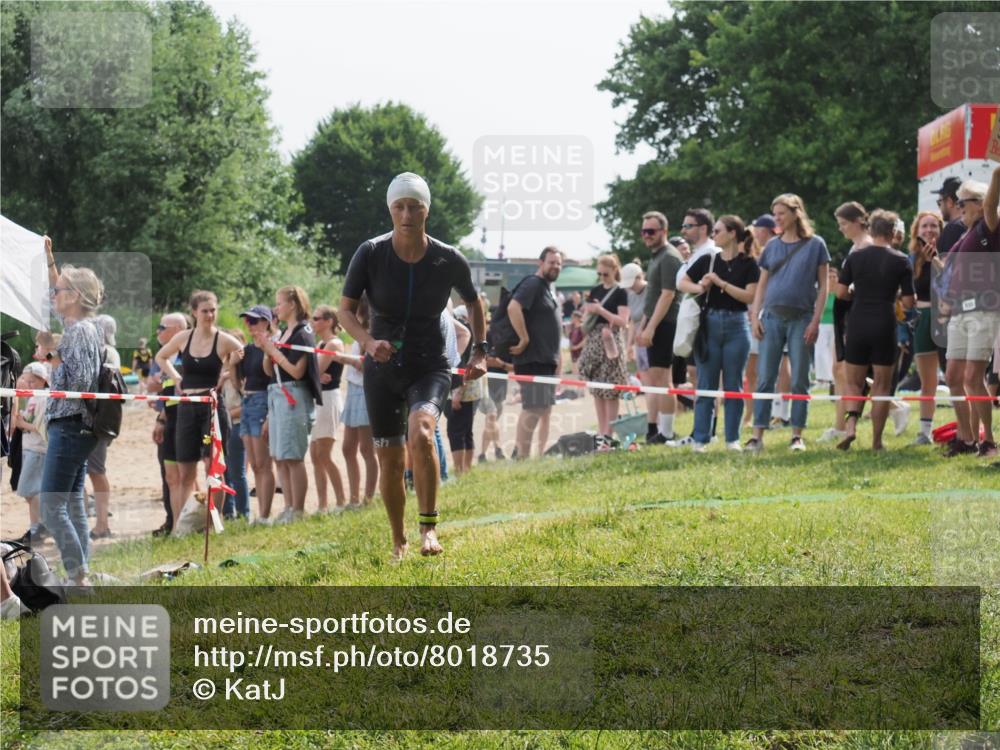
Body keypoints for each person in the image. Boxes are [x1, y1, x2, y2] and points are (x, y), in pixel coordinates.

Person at [339, 172, 486, 560]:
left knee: (421, 432)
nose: (406, 215)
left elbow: (474, 303)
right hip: (382, 367)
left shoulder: (447, 257)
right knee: (388, 458)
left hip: (430, 364)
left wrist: (480, 352)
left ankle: (428, 529)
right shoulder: (370, 252)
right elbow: (345, 311)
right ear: (390, 210)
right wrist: (368, 342)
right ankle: (398, 541)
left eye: (415, 207)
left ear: (427, 210)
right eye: (399, 207)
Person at [746, 193, 830, 453]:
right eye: (775, 214)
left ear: (796, 213)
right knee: (765, 378)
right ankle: (757, 436)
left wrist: (815, 321)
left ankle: (796, 435)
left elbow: (824, 286)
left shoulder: (816, 244)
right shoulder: (771, 246)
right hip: (771, 318)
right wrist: (755, 317)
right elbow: (761, 285)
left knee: (800, 379)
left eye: (781, 213)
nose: (777, 218)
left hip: (802, 318)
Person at [41, 238, 103, 586]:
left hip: (69, 424)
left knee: (52, 506)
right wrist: (50, 259)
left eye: (59, 291)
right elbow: (57, 291)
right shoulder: (81, 327)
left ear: (75, 296)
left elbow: (79, 381)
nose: (54, 295)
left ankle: (78, 578)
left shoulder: (78, 331)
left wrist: (51, 354)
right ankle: (82, 575)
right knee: (73, 503)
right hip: (77, 426)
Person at [154, 290, 241, 535]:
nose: (210, 315)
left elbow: (242, 353)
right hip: (187, 405)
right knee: (185, 470)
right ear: (194, 312)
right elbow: (161, 356)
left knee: (214, 468)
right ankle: (181, 527)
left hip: (212, 406)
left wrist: (226, 372)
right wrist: (176, 378)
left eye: (213, 310)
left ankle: (215, 523)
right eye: (205, 311)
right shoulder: (184, 337)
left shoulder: (223, 339)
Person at [833, 209, 915, 450]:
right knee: (881, 386)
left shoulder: (855, 257)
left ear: (870, 229)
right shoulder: (901, 260)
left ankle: (850, 427)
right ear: (893, 232)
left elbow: (840, 293)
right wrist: (894, 293)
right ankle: (877, 441)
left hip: (858, 322)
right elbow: (909, 302)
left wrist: (858, 294)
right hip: (884, 323)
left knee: (853, 383)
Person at [678, 215, 760, 451]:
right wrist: (701, 286)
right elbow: (682, 282)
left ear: (732, 233)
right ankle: (700, 439)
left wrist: (720, 283)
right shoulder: (708, 259)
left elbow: (749, 296)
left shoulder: (749, 264)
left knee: (734, 385)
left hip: (737, 325)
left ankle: (732, 439)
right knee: (706, 384)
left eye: (718, 231)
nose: (713, 235)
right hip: (710, 324)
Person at [940, 172, 1000, 458]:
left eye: (963, 202)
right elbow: (947, 265)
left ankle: (988, 441)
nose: (959, 207)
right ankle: (966, 438)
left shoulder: (990, 227)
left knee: (973, 376)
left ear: (979, 203)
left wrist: (997, 172)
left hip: (983, 310)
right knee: (953, 376)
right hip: (960, 311)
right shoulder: (966, 234)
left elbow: (991, 204)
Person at [253, 286, 322, 522]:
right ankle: (288, 507)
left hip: (294, 395)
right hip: (276, 394)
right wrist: (267, 351)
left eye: (280, 303)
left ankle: (298, 510)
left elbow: (296, 371)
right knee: (280, 456)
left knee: (293, 455)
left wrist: (273, 350)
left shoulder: (303, 333)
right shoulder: (283, 333)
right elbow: (268, 371)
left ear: (292, 304)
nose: (276, 309)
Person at [818, 202, 874, 444]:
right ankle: (840, 425)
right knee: (839, 370)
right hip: (847, 313)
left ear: (857, 222)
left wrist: (845, 290)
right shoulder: (854, 247)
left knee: (849, 372)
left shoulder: (867, 246)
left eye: (843, 224)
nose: (840, 229)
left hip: (858, 312)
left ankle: (892, 406)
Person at [508, 247, 563, 459]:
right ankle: (521, 456)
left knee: (542, 408)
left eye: (558, 263)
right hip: (533, 358)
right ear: (541, 263)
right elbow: (513, 307)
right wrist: (524, 338)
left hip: (545, 360)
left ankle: (526, 454)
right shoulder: (533, 283)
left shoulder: (546, 287)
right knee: (533, 408)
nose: (555, 266)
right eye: (551, 262)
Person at [636, 212, 684, 444]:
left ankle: (667, 433)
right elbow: (652, 297)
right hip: (657, 322)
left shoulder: (669, 257)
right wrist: (643, 326)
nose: (646, 235)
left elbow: (667, 295)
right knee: (657, 378)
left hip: (667, 323)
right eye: (644, 231)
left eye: (651, 231)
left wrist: (651, 328)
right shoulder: (656, 257)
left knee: (663, 379)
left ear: (664, 231)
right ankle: (662, 432)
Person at [230, 305, 277, 522]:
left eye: (254, 321)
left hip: (262, 400)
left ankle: (265, 515)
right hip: (248, 401)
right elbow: (238, 385)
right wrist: (233, 365)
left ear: (266, 322)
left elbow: (271, 376)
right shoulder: (247, 350)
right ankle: (261, 515)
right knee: (256, 465)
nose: (249, 325)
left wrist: (267, 349)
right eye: (247, 321)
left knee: (263, 463)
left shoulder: (272, 346)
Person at [577, 254, 630, 438]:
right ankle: (602, 433)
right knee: (597, 390)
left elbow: (623, 321)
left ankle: (609, 435)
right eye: (599, 274)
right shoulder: (595, 290)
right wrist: (587, 312)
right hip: (594, 343)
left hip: (611, 342)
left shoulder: (621, 291)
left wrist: (600, 310)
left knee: (610, 391)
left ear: (615, 270)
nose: (602, 277)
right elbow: (587, 317)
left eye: (605, 274)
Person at [147, 312, 187, 536]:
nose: (158, 332)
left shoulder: (188, 353)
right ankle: (174, 523)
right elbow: (156, 388)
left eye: (163, 327)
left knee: (186, 475)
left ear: (177, 330)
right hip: (168, 417)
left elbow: (170, 387)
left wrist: (161, 379)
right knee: (171, 476)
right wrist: (161, 419)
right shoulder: (164, 356)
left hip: (187, 419)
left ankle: (185, 523)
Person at [908, 211, 946, 445]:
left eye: (934, 226)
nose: (929, 230)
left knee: (957, 377)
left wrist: (936, 260)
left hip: (947, 320)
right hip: (922, 319)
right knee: (928, 382)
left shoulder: (949, 252)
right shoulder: (911, 259)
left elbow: (952, 282)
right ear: (917, 231)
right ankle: (925, 432)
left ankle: (971, 432)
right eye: (924, 226)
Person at [340, 296, 379, 508]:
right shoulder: (358, 331)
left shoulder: (371, 331)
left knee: (366, 448)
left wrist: (343, 358)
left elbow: (366, 366)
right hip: (353, 389)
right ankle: (354, 498)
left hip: (365, 391)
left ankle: (368, 498)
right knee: (348, 447)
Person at [310, 305, 348, 512]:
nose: (313, 322)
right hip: (317, 398)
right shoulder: (321, 343)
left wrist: (313, 374)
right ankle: (323, 504)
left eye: (316, 318)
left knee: (324, 454)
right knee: (315, 455)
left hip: (329, 399)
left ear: (329, 321)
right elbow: (314, 372)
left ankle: (341, 501)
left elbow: (315, 370)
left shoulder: (334, 343)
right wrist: (314, 375)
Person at [88, 313, 121, 540]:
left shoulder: (107, 353)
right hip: (96, 417)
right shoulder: (105, 351)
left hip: (99, 419)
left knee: (96, 471)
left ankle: (102, 524)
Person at [13, 362, 50, 546]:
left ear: (43, 380)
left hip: (38, 449)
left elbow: (41, 428)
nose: (28, 384)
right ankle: (36, 527)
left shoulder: (44, 398)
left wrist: (22, 424)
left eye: (32, 381)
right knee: (31, 491)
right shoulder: (34, 397)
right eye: (26, 381)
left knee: (29, 490)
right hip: (29, 447)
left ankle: (40, 526)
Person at [221, 328, 249, 521]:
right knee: (224, 471)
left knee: (237, 472)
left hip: (237, 424)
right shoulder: (222, 369)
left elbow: (247, 404)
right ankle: (228, 513)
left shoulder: (243, 372)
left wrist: (226, 415)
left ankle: (242, 513)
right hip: (224, 426)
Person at [478, 322, 513, 463]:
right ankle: (499, 449)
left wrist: (500, 364)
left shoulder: (507, 343)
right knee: (492, 417)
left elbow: (514, 367)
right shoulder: (482, 340)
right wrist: (486, 362)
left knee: (491, 422)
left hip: (500, 388)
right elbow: (475, 361)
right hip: (485, 386)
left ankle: (482, 455)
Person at [620, 263, 649, 381]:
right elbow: (632, 320)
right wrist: (629, 345)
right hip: (639, 342)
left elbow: (648, 313)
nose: (630, 287)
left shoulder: (650, 290)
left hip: (650, 339)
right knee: (644, 377)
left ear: (639, 277)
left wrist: (640, 331)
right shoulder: (631, 296)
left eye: (631, 283)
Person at [934, 176, 966, 255]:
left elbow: (947, 262)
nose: (939, 207)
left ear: (949, 202)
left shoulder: (953, 228)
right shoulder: (972, 226)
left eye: (939, 202)